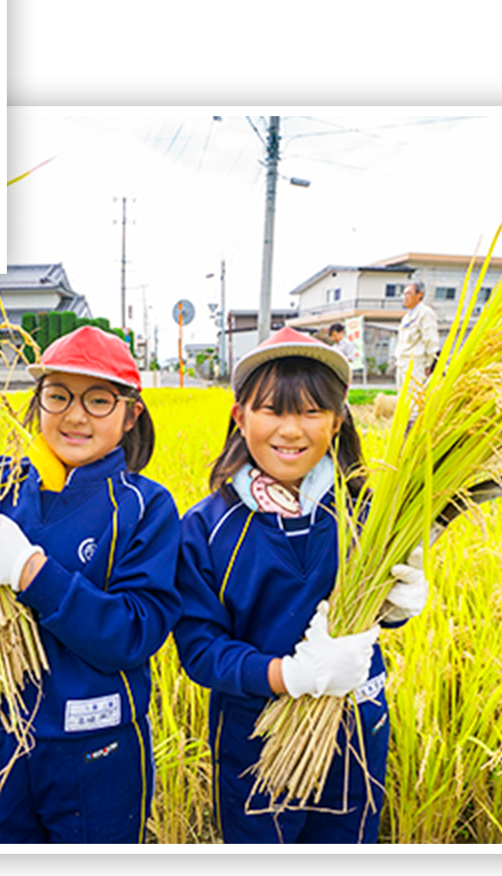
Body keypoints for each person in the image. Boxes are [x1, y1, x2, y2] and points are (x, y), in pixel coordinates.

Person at [0, 326, 181, 844]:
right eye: (57, 395)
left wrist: (26, 571)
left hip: (94, 748)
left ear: (131, 415)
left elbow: (134, 632)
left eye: (99, 399)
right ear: (37, 403)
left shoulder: (144, 506)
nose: (75, 415)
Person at [174, 326, 427, 843]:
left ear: (337, 422)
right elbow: (200, 650)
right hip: (255, 737)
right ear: (239, 417)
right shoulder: (206, 528)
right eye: (272, 410)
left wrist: (398, 605)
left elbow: (376, 612)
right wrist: (289, 675)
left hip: (355, 728)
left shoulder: (366, 514)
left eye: (312, 411)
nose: (291, 430)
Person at [395, 280, 441, 399]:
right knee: (403, 399)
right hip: (402, 364)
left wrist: (430, 364)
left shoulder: (425, 313)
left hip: (416, 364)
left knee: (415, 401)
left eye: (409, 294)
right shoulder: (406, 317)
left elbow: (431, 340)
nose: (405, 297)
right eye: (404, 294)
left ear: (419, 295)